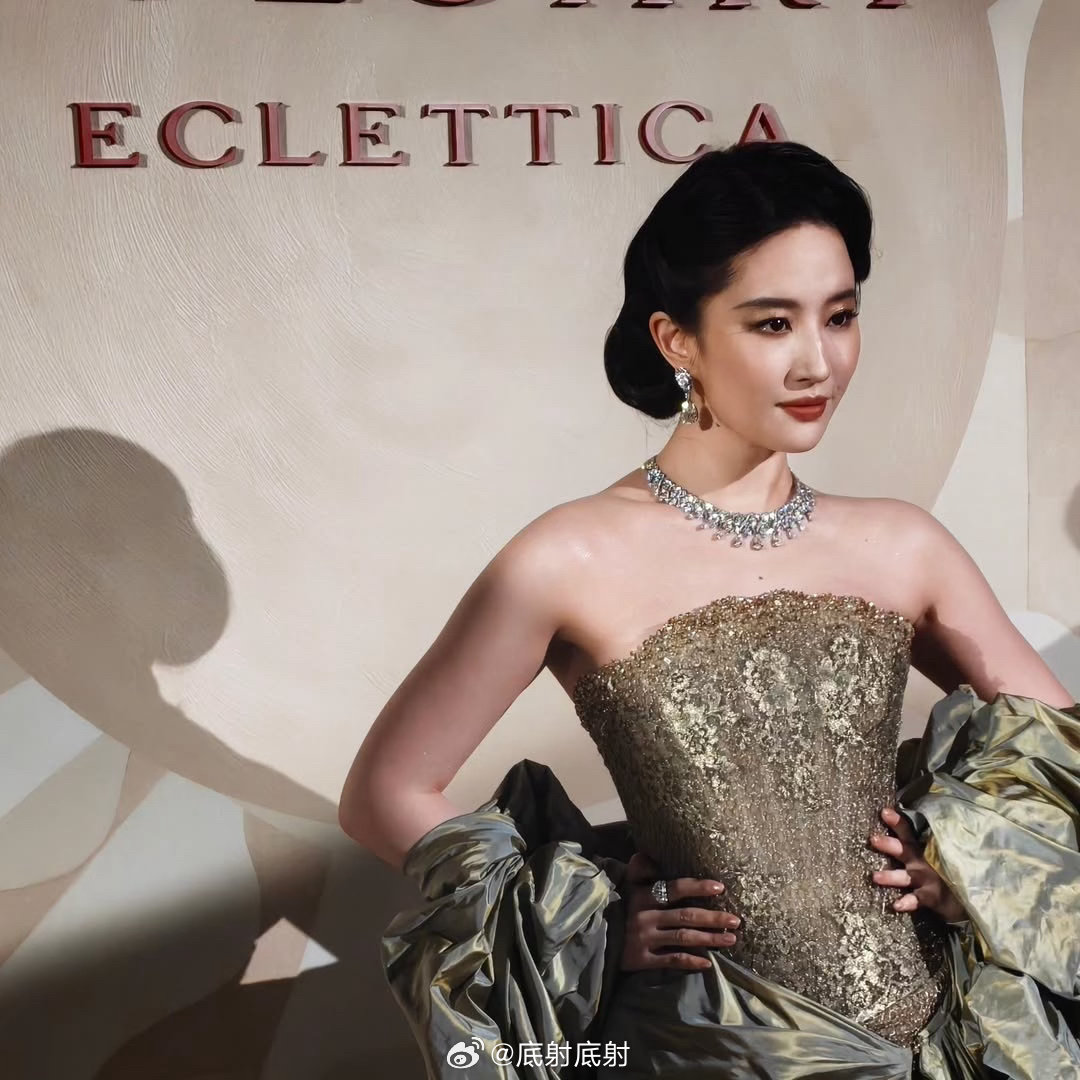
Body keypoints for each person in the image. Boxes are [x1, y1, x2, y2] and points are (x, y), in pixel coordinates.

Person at [338, 141, 1080, 1080]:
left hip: (937, 1043)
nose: (818, 361)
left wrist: (969, 865)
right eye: (773, 323)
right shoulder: (565, 559)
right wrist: (590, 920)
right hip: (708, 1049)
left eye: (841, 316)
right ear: (676, 340)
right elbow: (384, 792)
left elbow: (1063, 765)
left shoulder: (903, 545)